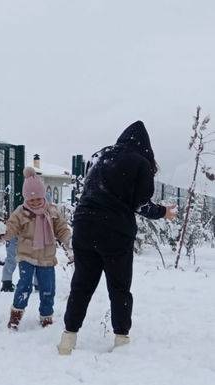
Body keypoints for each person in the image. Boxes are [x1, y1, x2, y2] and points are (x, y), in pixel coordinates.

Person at [58, 121, 177, 355]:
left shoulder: (99, 156)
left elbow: (89, 191)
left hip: (83, 226)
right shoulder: (140, 162)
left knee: (81, 285)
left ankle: (67, 339)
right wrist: (164, 212)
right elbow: (142, 205)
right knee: (119, 287)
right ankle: (121, 340)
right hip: (115, 232)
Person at [3, 167, 73, 330]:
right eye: (31, 200)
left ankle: (46, 316)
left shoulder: (52, 211)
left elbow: (61, 229)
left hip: (47, 257)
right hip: (26, 255)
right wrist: (3, 233)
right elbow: (11, 228)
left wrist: (68, 241)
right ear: (26, 198)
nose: (34, 203)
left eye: (38, 199)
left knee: (48, 288)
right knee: (24, 285)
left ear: (43, 195)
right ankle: (16, 315)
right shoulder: (21, 212)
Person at [0, 221, 39, 292]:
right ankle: (38, 283)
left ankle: (7, 282)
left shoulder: (15, 216)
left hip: (15, 234)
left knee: (11, 259)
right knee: (31, 259)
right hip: (25, 235)